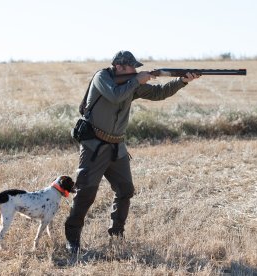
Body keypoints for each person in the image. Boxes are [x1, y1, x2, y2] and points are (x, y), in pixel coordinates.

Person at [65, 50, 200, 253]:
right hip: (95, 146)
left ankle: (116, 235)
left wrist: (182, 81)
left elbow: (158, 93)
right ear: (119, 66)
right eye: (131, 67)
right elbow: (114, 95)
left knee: (125, 190)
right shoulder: (102, 77)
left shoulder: (130, 84)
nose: (135, 70)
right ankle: (72, 241)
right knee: (85, 193)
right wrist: (137, 80)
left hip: (117, 147)